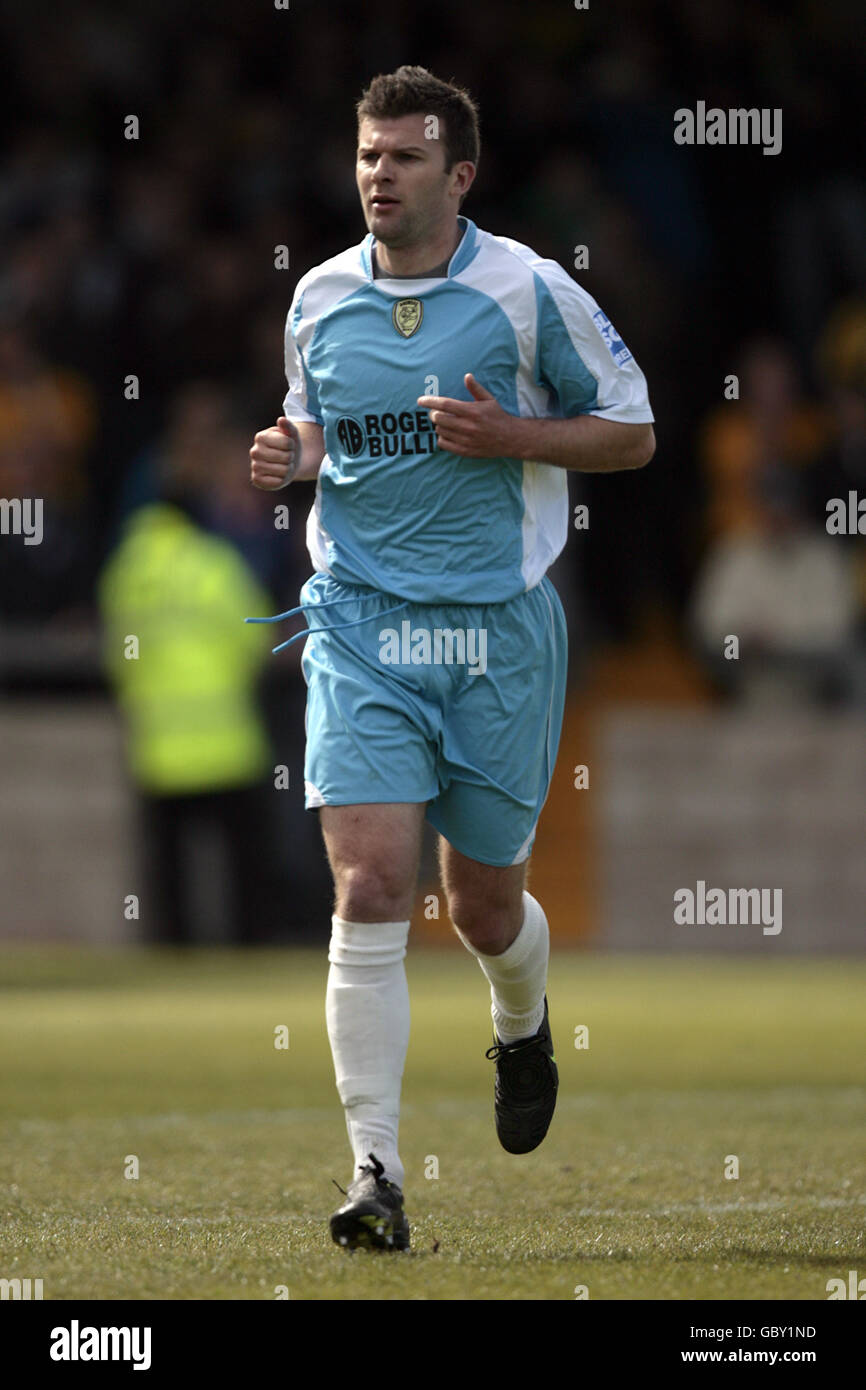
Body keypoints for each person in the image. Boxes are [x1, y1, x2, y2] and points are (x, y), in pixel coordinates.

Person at [248, 66, 655, 1251]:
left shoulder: (529, 291)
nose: (379, 174)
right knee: (372, 883)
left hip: (494, 636)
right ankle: (375, 1172)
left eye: (404, 157)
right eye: (368, 156)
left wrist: (514, 435)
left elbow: (631, 431)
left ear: (458, 173)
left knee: (480, 905)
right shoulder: (317, 299)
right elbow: (320, 426)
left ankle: (520, 1021)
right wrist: (292, 453)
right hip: (362, 624)